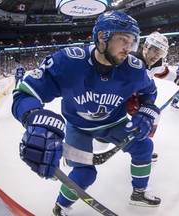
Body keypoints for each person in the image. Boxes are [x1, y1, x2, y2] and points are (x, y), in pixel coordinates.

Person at [11, 10, 162, 216]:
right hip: (78, 127)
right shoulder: (68, 62)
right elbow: (24, 94)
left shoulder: (134, 68)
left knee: (144, 146)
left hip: (114, 124)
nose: (129, 48)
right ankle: (60, 206)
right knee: (85, 174)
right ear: (102, 36)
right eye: (123, 39)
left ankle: (139, 193)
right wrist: (32, 117)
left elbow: (150, 91)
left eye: (133, 42)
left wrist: (147, 108)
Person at [127, 31, 179, 161]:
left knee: (153, 115)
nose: (157, 56)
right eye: (155, 50)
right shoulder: (129, 61)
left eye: (161, 53)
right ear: (146, 47)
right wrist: (126, 100)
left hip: (141, 94)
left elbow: (163, 72)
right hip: (118, 97)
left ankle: (145, 145)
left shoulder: (156, 64)